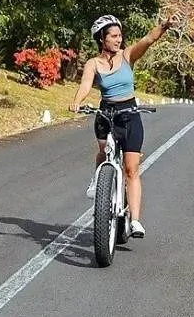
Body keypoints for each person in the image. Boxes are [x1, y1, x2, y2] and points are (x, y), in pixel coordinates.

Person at [68, 12, 173, 238]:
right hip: (106, 113)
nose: (118, 39)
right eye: (113, 36)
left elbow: (147, 40)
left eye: (119, 35)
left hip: (129, 115)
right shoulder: (93, 63)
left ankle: (135, 220)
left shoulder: (127, 56)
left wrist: (163, 28)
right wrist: (77, 101)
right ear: (101, 39)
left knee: (131, 169)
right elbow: (86, 84)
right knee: (102, 151)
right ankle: (98, 180)